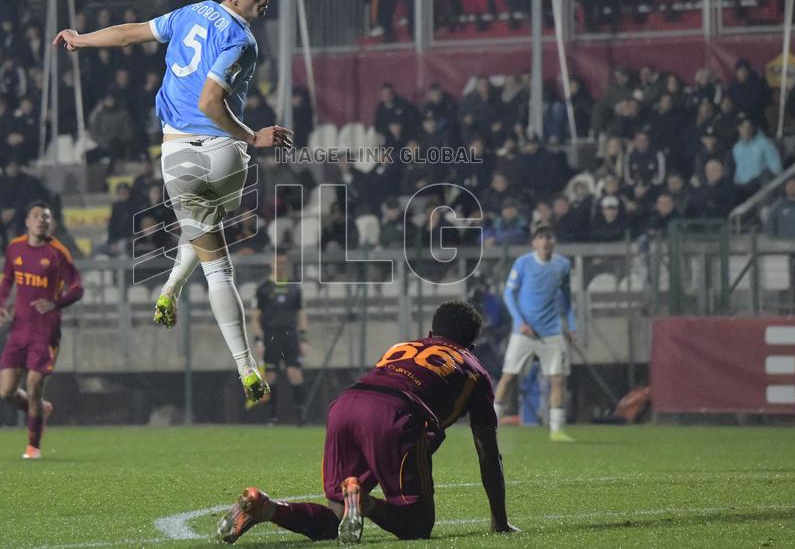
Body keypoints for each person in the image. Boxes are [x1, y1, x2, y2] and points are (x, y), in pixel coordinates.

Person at [53, 0, 291, 406]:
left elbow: (128, 34)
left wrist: (80, 39)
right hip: (224, 155)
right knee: (211, 246)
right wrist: (251, 135)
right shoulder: (242, 39)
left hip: (178, 153)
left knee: (209, 246)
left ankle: (230, 350)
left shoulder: (189, 13)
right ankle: (218, 338)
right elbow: (211, 100)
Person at [217, 300, 517, 544]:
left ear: (429, 332)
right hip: (393, 414)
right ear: (472, 346)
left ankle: (266, 507)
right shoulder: (474, 369)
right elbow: (488, 452)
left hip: (346, 405)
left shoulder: (404, 346)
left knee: (336, 518)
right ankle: (364, 501)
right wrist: (499, 520)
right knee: (418, 526)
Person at [0, 201, 84, 459]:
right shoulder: (15, 248)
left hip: (45, 332)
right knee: (6, 392)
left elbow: (78, 288)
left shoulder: (58, 252)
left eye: (46, 217)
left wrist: (55, 303)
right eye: (36, 216)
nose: (41, 220)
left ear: (50, 222)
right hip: (19, 330)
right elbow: (7, 279)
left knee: (33, 386)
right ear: (27, 221)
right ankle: (41, 410)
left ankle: (33, 447)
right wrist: (1, 305)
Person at [496, 224, 576, 441]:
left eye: (549, 237)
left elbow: (567, 299)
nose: (545, 241)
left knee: (558, 379)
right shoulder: (523, 263)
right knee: (509, 376)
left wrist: (572, 325)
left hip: (552, 331)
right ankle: (490, 425)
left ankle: (556, 430)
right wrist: (520, 322)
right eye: (541, 237)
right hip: (523, 332)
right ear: (534, 242)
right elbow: (509, 295)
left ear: (554, 241)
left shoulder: (563, 265)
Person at [252, 250, 307, 424]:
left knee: (295, 372)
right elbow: (255, 317)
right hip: (271, 336)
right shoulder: (263, 287)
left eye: (283, 263)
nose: (280, 266)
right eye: (277, 262)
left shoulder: (294, 287)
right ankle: (272, 416)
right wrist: (258, 340)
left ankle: (300, 416)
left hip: (290, 335)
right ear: (271, 263)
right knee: (270, 374)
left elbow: (301, 313)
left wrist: (304, 338)